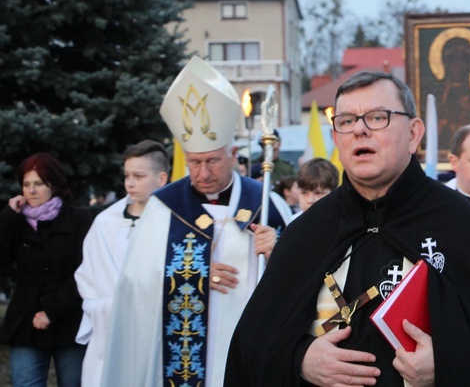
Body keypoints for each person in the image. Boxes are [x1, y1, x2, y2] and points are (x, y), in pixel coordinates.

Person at [225, 70, 470, 386]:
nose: (360, 129)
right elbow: (252, 345)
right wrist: (299, 358)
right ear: (336, 138)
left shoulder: (462, 227)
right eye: (346, 121)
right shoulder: (308, 233)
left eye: (377, 117)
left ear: (413, 133)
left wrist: (448, 364)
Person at [101, 57, 284, 387]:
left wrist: (278, 252)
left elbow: (302, 277)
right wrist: (193, 273)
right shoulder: (163, 207)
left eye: (212, 161)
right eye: (194, 162)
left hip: (249, 347)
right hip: (182, 358)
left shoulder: (265, 203)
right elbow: (134, 285)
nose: (203, 173)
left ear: (232, 154)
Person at [74, 140, 169, 386]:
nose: (130, 183)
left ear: (161, 179)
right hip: (107, 329)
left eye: (139, 176)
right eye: (127, 175)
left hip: (153, 328)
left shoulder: (173, 224)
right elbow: (87, 274)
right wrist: (101, 307)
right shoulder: (105, 222)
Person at [0, 153, 93, 386]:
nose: (31, 191)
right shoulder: (16, 220)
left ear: (54, 185)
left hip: (70, 320)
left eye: (39, 184)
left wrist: (52, 310)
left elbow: (88, 270)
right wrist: (9, 215)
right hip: (26, 323)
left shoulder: (79, 219)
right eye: (27, 184)